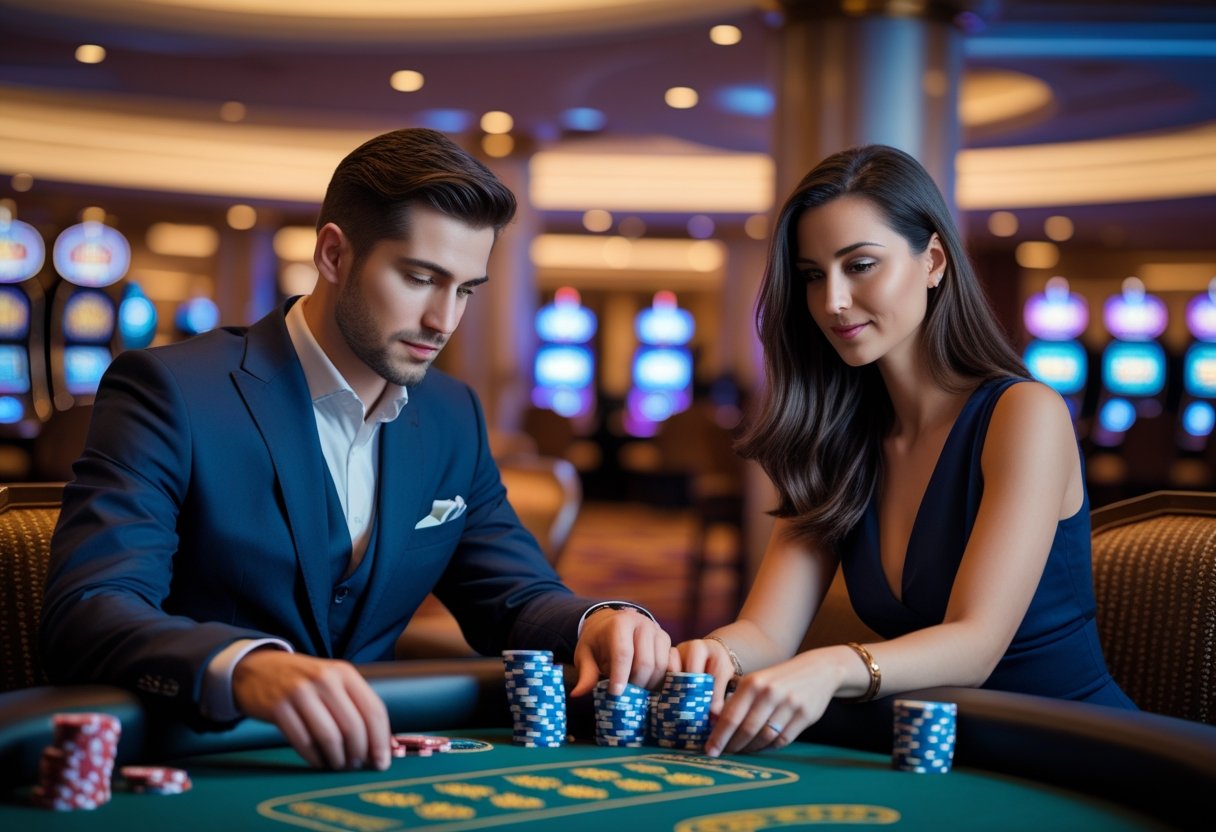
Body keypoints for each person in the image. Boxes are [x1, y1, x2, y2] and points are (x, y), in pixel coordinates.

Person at [41, 127, 671, 771]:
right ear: (334, 255)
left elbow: (512, 592)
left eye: (464, 289)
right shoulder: (172, 389)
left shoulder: (453, 414)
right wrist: (246, 667)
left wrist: (595, 620)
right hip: (203, 756)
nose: (443, 320)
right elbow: (89, 610)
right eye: (421, 278)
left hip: (375, 766)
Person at [671, 144, 1136, 758]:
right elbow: (766, 630)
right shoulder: (837, 437)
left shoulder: (1025, 414)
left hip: (1070, 749)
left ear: (933, 261)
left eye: (859, 264)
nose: (832, 300)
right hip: (937, 748)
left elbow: (975, 644)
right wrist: (715, 653)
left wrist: (833, 666)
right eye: (813, 275)